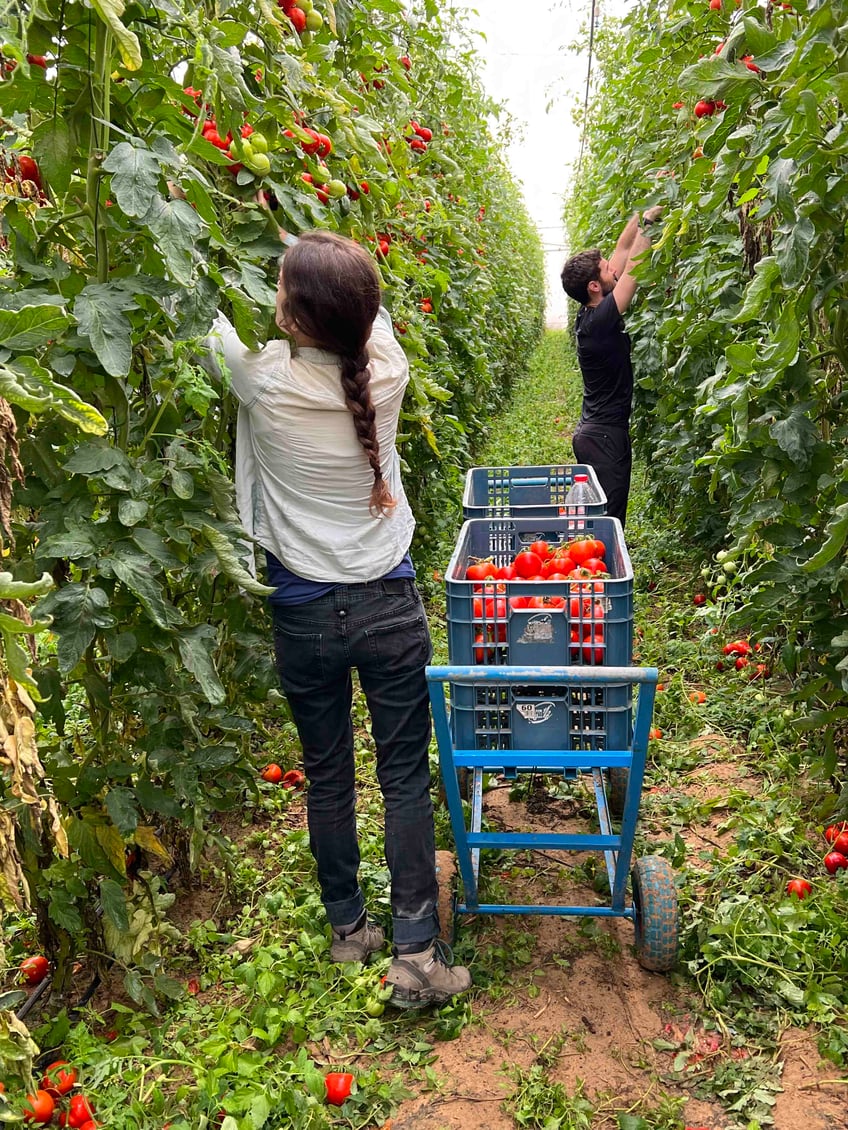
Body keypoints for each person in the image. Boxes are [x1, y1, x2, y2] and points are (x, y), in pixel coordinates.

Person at [207, 228, 471, 1009]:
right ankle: (416, 954)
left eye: (285, 291)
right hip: (389, 602)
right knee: (402, 779)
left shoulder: (258, 380)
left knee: (326, 775)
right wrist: (315, 255)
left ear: (290, 318)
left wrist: (260, 233)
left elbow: (201, 308)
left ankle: (349, 930)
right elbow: (370, 306)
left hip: (304, 611)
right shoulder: (386, 370)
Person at [560, 206, 662, 526]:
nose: (612, 270)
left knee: (600, 519)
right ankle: (603, 575)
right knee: (609, 523)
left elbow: (621, 249)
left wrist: (646, 207)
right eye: (606, 270)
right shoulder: (601, 321)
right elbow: (633, 268)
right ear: (594, 285)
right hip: (605, 439)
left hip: (595, 435)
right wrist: (648, 223)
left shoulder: (591, 311)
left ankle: (593, 571)